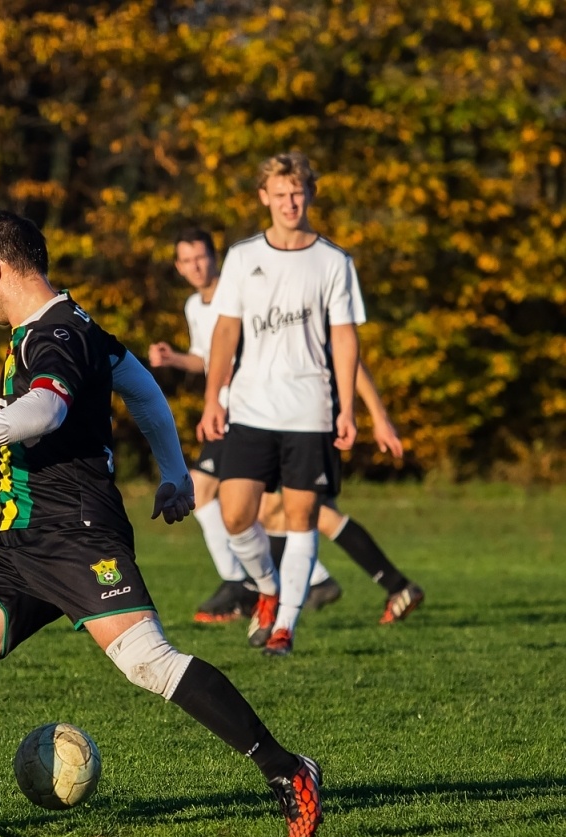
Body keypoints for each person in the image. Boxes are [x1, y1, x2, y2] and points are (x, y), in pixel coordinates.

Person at [0, 209, 322, 837]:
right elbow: (143, 392)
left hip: (80, 536)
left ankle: (288, 770)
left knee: (150, 662)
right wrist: (175, 473)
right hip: (25, 544)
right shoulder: (78, 324)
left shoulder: (54, 335)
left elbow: (46, 410)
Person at [200, 153, 422, 658]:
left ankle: (285, 628)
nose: (289, 203)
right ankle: (267, 588)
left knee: (301, 518)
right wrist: (213, 397)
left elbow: (344, 340)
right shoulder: (241, 256)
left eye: (297, 194)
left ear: (310, 195)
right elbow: (225, 331)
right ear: (265, 198)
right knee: (235, 515)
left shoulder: (334, 262)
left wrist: (348, 410)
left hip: (311, 411)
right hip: (251, 408)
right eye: (279, 195)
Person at [153, 227, 423, 626]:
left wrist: (376, 416)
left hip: (275, 414)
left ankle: (248, 586)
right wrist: (177, 361)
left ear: (216, 258)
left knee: (261, 504)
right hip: (241, 416)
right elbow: (209, 358)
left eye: (202, 257)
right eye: (186, 260)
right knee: (278, 509)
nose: (196, 267)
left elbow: (343, 351)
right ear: (177, 267)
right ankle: (347, 583)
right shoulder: (197, 307)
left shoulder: (256, 289)